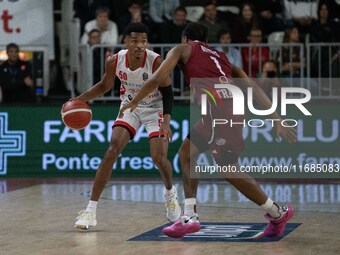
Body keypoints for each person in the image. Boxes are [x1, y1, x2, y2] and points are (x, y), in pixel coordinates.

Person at [119, 22, 297, 238]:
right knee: (186, 154)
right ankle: (190, 216)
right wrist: (276, 119)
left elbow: (157, 77)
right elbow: (251, 86)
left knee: (228, 170)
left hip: (219, 110)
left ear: (185, 39)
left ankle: (277, 212)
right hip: (223, 109)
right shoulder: (220, 56)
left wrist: (135, 101)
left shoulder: (182, 49)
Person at [73, 22, 181, 230]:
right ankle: (90, 211)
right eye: (135, 41)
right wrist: (80, 99)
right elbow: (104, 86)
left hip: (155, 108)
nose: (140, 45)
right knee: (112, 150)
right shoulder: (114, 60)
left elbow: (168, 92)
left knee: (159, 158)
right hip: (130, 107)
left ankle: (170, 193)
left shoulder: (156, 61)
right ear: (125, 42)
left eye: (143, 41)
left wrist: (166, 121)